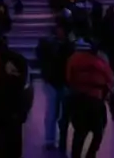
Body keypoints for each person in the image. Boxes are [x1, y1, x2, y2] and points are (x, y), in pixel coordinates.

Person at [65, 37, 114, 158]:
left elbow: (68, 77)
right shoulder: (99, 61)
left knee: (79, 132)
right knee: (98, 131)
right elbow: (110, 78)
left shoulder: (72, 59)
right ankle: (91, 154)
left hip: (78, 99)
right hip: (95, 100)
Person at [36, 18, 74, 150]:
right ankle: (50, 140)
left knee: (61, 114)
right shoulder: (50, 44)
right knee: (52, 112)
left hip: (63, 82)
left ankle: (59, 139)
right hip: (53, 81)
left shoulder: (67, 46)